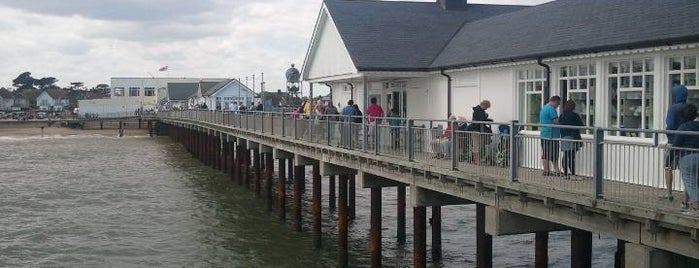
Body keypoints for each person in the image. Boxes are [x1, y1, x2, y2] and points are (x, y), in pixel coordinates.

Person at [663, 85, 689, 201]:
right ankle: (686, 198)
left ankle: (669, 193)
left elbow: (670, 125)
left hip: (673, 143)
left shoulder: (673, 109)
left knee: (668, 167)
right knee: (687, 172)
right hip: (688, 144)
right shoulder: (690, 108)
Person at [673, 104, 699, 214]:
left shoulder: (683, 127)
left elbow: (676, 145)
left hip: (687, 157)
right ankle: (686, 203)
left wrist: (669, 160)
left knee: (690, 182)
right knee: (694, 181)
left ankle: (696, 208)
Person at [559, 100, 584, 179]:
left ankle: (565, 174)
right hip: (573, 137)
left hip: (564, 137)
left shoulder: (561, 115)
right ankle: (573, 174)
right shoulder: (575, 115)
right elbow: (581, 125)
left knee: (565, 155)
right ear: (573, 107)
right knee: (571, 156)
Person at [540, 96, 562, 176]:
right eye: (558, 103)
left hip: (544, 134)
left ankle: (546, 170)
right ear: (554, 101)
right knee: (554, 153)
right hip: (551, 135)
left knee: (545, 153)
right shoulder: (552, 109)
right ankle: (557, 171)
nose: (558, 106)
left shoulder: (544, 108)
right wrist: (562, 122)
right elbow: (556, 121)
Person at [466, 100, 492, 165]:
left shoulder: (480, 111)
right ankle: (476, 161)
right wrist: (486, 116)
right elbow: (481, 118)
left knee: (478, 145)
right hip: (475, 130)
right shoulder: (477, 110)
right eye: (486, 107)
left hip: (478, 130)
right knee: (476, 145)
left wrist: (488, 119)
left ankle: (477, 160)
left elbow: (482, 118)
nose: (486, 109)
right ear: (484, 105)